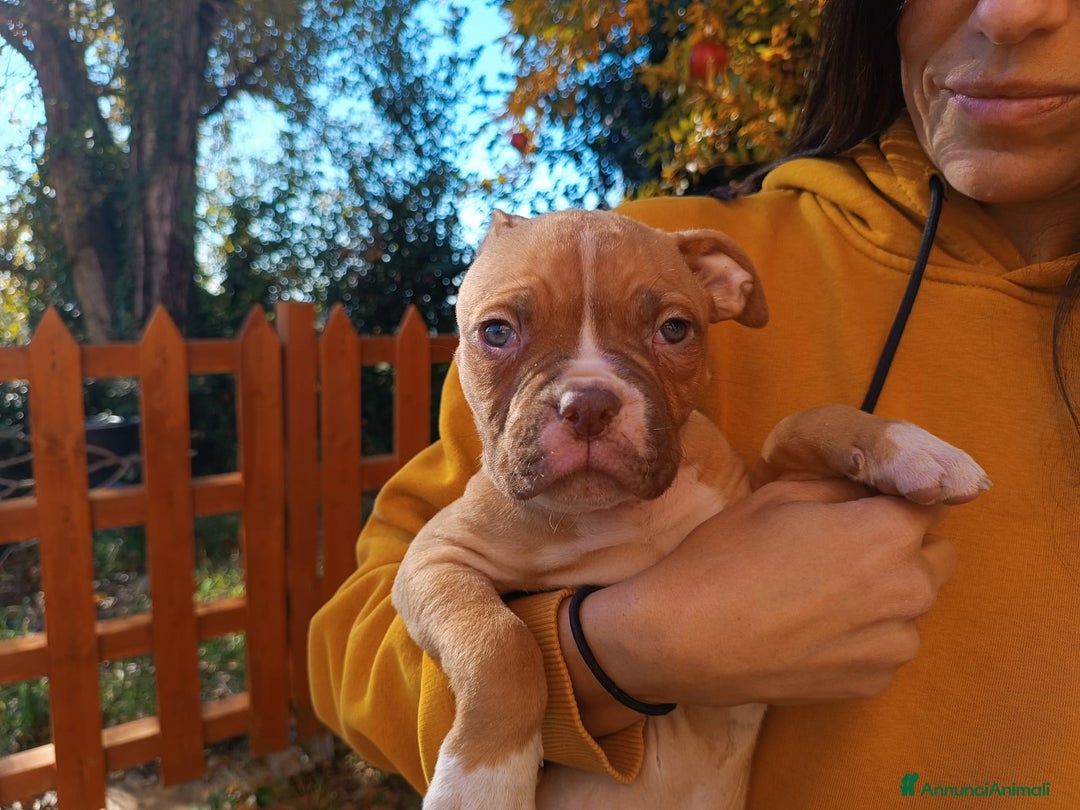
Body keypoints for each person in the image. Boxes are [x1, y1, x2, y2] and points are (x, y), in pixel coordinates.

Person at [309, 0, 1080, 805]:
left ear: (722, 292)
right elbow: (355, 653)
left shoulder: (670, 285)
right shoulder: (607, 251)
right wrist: (623, 651)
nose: (1016, 11)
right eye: (501, 334)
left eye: (669, 330)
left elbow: (777, 461)